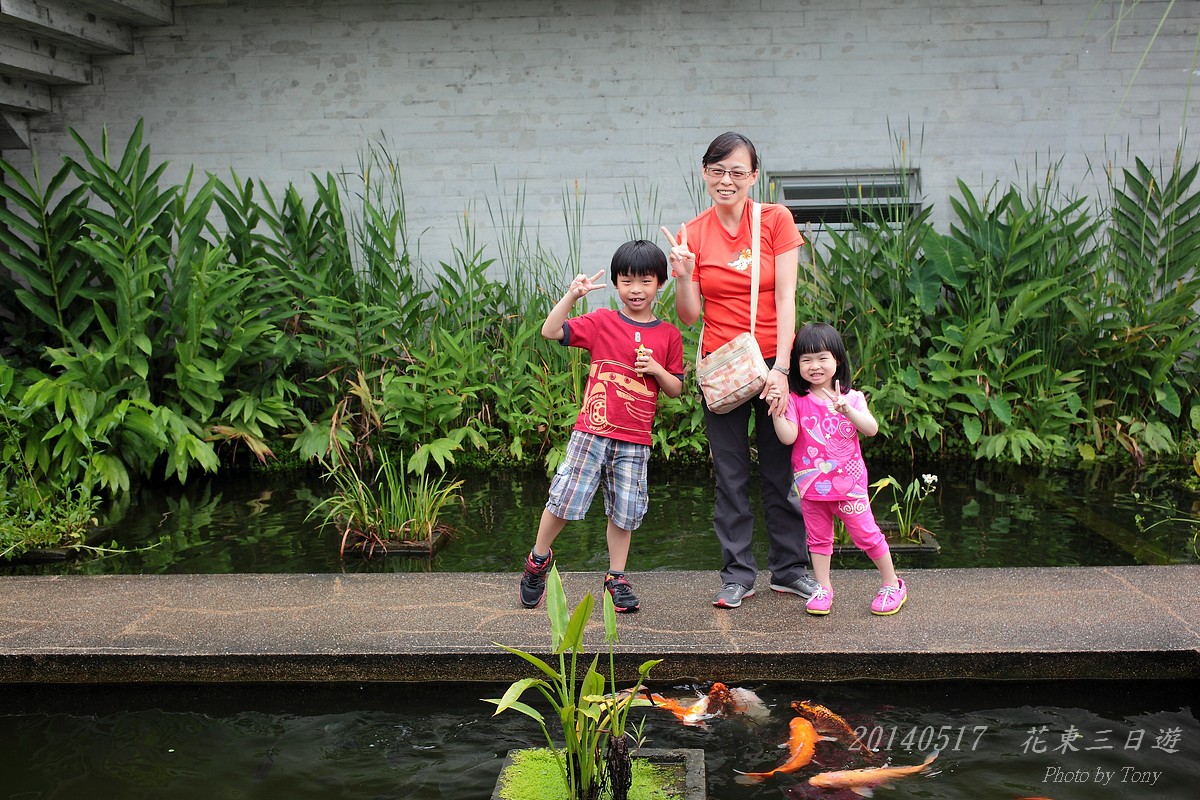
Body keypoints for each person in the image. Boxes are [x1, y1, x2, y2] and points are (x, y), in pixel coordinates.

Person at [661, 131, 820, 609]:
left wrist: (783, 369)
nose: (726, 180)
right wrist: (683, 275)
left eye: (736, 171)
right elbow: (689, 316)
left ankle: (790, 569)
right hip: (723, 370)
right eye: (717, 170)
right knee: (729, 476)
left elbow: (787, 297)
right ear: (704, 173)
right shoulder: (693, 233)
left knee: (781, 470)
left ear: (753, 175)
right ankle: (737, 575)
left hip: (774, 363)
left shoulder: (775, 220)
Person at [518, 240, 685, 613]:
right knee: (565, 498)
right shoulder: (602, 322)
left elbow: (675, 388)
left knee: (625, 510)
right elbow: (550, 331)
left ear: (661, 283)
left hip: (635, 439)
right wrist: (572, 296)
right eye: (627, 281)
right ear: (615, 283)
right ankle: (538, 559)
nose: (636, 290)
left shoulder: (669, 335)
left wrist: (656, 369)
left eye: (645, 281)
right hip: (592, 433)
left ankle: (616, 577)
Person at [771, 322, 907, 616]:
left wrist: (847, 410)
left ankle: (892, 584)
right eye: (806, 359)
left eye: (822, 358)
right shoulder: (796, 400)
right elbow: (788, 437)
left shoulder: (852, 397)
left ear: (838, 360)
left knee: (867, 535)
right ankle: (823, 587)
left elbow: (871, 429)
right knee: (818, 540)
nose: (814, 366)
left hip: (849, 486)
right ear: (797, 365)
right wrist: (776, 411)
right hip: (811, 487)